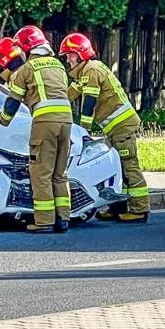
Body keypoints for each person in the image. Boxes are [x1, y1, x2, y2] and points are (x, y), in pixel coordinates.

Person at [0, 26, 72, 232]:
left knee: (41, 172)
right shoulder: (58, 66)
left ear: (26, 47)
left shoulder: (27, 69)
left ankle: (44, 221)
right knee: (59, 174)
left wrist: (0, 119)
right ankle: (63, 218)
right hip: (66, 122)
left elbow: (12, 102)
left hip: (45, 123)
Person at [59, 32, 149, 222]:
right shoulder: (86, 72)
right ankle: (118, 207)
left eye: (70, 54)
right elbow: (68, 96)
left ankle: (140, 210)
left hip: (123, 127)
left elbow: (88, 102)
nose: (67, 58)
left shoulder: (92, 70)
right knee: (116, 167)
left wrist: (83, 129)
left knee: (129, 166)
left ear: (80, 53)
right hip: (116, 128)